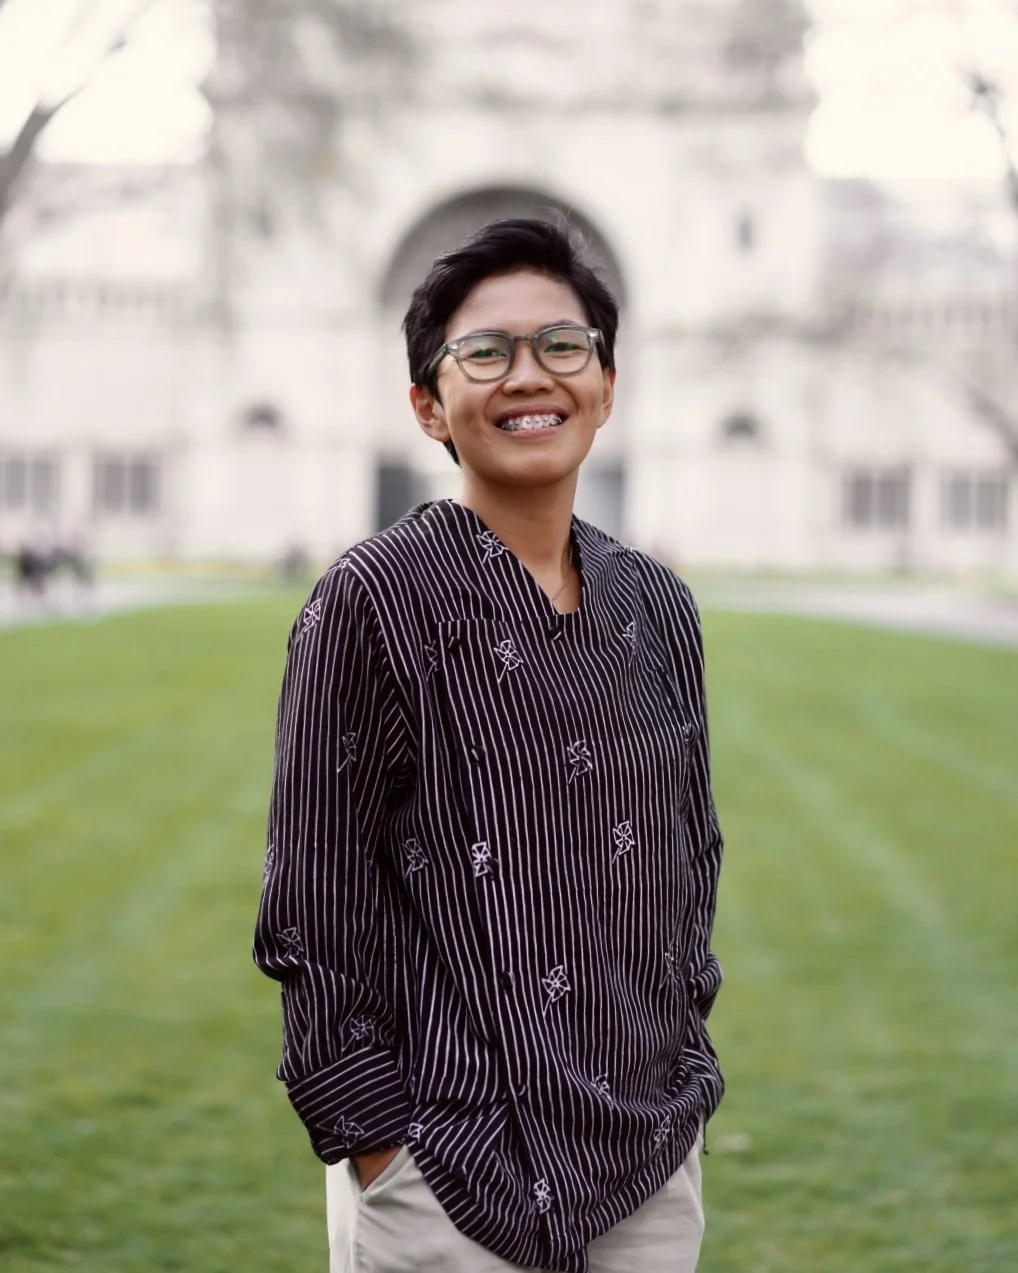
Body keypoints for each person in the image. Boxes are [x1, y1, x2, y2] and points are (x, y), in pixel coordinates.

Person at [254, 218, 725, 1273]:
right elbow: (314, 899)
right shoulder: (371, 599)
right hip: (447, 1168)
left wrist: (684, 1061)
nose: (530, 376)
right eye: (486, 352)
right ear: (428, 404)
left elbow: (689, 856)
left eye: (563, 346)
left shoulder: (657, 604)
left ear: (605, 384)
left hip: (646, 1159)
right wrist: (379, 1150)